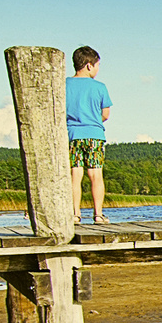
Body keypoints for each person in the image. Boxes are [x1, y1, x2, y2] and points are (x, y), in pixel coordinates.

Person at [66, 46, 113, 223]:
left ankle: (75, 214)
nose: (98, 69)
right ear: (88, 65)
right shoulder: (100, 87)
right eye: (97, 65)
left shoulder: (64, 84)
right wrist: (93, 119)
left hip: (72, 135)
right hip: (94, 135)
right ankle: (98, 214)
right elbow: (106, 114)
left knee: (75, 175)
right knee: (96, 175)